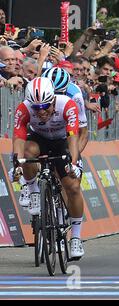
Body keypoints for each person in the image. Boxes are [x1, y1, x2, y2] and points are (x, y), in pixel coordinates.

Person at [9, 77, 85, 259]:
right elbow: (18, 137)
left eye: (45, 107)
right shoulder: (24, 108)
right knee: (27, 153)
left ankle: (75, 237)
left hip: (62, 142)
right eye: (36, 108)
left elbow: (73, 137)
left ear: (53, 100)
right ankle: (34, 191)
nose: (41, 112)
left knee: (73, 187)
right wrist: (17, 163)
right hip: (39, 139)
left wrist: (73, 163)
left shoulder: (67, 105)